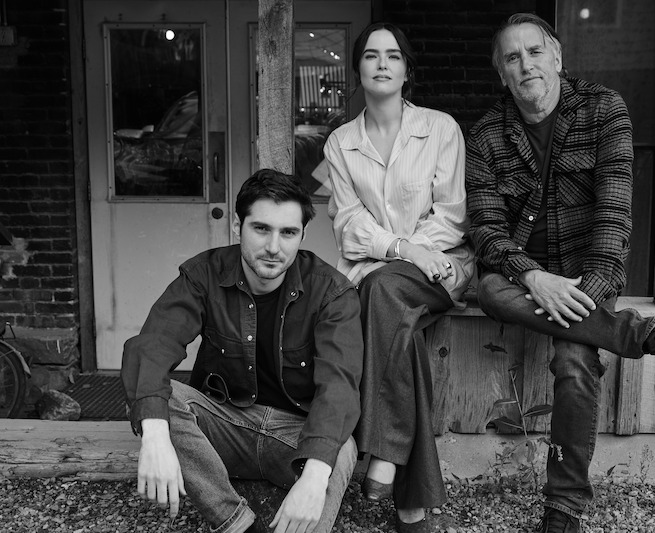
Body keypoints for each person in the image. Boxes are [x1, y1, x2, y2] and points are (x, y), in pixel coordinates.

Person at [465, 13, 655, 533]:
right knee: (489, 289)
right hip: (521, 278)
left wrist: (588, 290)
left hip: (585, 275)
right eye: (512, 58)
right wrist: (534, 277)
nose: (525, 65)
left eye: (534, 52)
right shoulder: (486, 134)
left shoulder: (604, 110)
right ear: (502, 74)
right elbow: (488, 232)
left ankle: (562, 514)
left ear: (557, 57)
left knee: (576, 363)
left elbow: (614, 218)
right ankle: (648, 333)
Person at [120, 170, 363, 533]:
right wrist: (155, 435)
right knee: (159, 400)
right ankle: (238, 526)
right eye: (261, 229)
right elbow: (153, 345)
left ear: (303, 235)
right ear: (238, 226)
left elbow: (339, 387)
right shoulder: (205, 274)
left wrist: (313, 478)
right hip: (226, 426)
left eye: (288, 233)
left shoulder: (330, 291)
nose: (273, 247)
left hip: (293, 437)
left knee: (338, 452)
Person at [324, 22, 474, 533]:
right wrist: (399, 249)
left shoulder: (440, 128)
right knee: (397, 320)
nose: (382, 63)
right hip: (377, 272)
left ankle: (384, 449)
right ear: (357, 68)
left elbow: (452, 214)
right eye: (371, 55)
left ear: (408, 69)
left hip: (442, 266)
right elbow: (348, 224)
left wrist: (412, 253)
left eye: (393, 55)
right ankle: (412, 507)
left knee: (387, 291)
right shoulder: (340, 144)